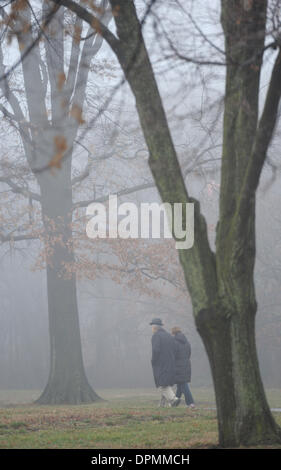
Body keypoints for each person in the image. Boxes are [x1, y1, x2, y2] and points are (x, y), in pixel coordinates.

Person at [150, 318, 180, 407]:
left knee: (162, 383)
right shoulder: (169, 336)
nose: (151, 328)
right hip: (171, 362)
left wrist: (153, 361)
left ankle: (173, 400)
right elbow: (176, 349)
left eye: (152, 326)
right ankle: (162, 404)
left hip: (161, 363)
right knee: (165, 382)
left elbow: (156, 350)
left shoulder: (156, 336)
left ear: (155, 327)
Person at [171, 326, 195, 408]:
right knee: (180, 384)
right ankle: (174, 403)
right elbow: (189, 353)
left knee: (183, 384)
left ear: (173, 333)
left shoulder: (174, 342)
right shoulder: (187, 342)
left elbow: (173, 354)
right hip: (186, 364)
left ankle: (190, 403)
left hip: (178, 365)